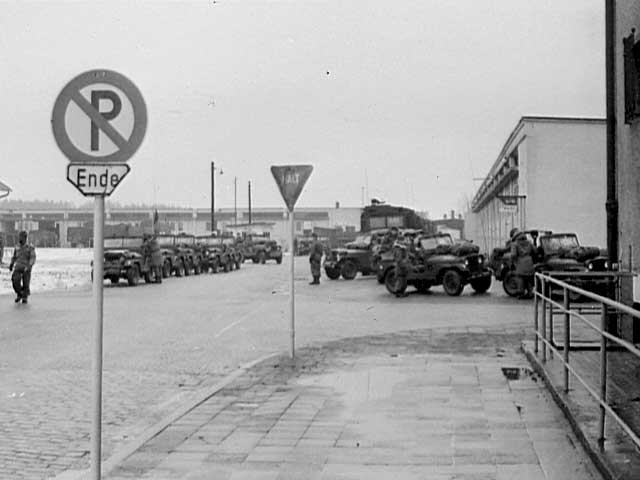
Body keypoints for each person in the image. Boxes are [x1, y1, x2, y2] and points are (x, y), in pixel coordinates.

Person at [9, 230, 36, 304]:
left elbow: (32, 258)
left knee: (26, 283)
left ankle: (25, 296)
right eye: (19, 237)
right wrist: (11, 264)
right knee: (15, 280)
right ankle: (20, 293)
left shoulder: (30, 247)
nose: (20, 238)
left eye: (21, 237)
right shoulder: (17, 247)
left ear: (25, 238)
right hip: (18, 267)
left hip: (26, 267)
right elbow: (14, 257)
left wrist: (29, 265)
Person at [511, 231, 535, 299]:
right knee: (529, 278)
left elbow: (513, 255)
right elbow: (535, 250)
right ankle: (530, 293)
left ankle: (521, 293)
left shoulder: (515, 244)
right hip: (529, 262)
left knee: (520, 278)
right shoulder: (529, 242)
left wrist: (513, 262)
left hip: (520, 262)